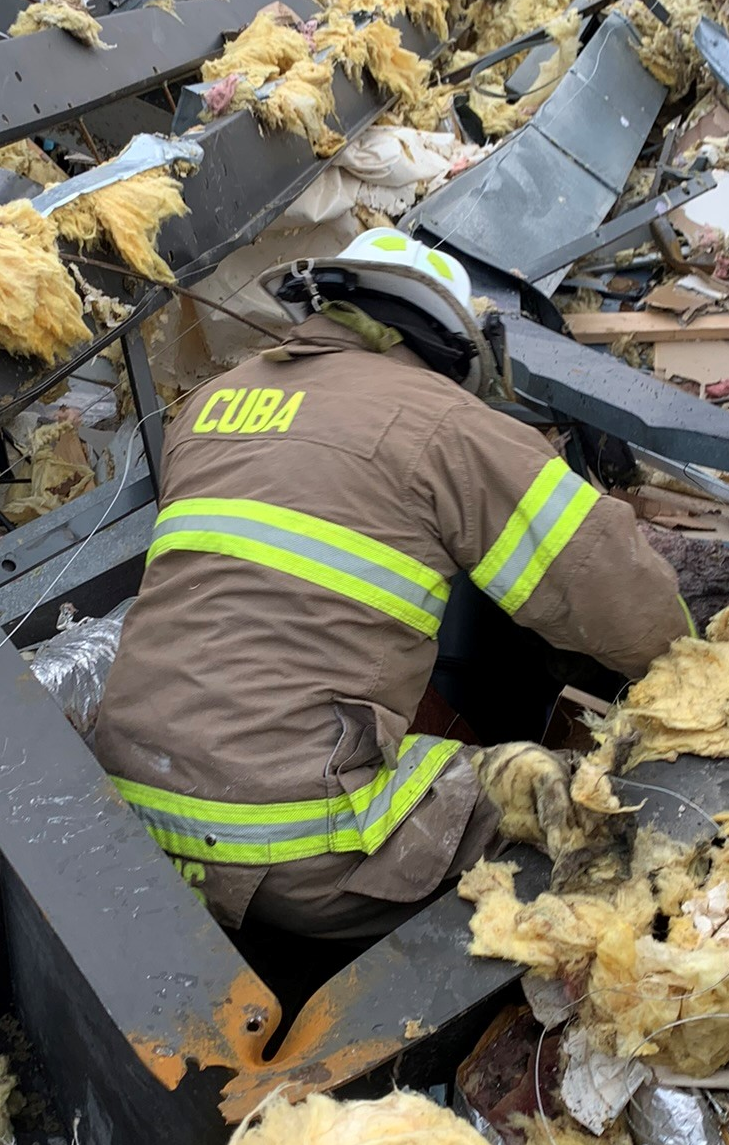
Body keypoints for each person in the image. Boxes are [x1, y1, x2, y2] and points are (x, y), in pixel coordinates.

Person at [94, 228, 688, 937]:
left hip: (133, 823)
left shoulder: (206, 408)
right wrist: (699, 674)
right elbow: (608, 585)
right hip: (291, 847)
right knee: (586, 803)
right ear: (449, 346)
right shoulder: (440, 419)